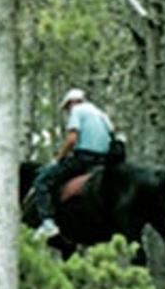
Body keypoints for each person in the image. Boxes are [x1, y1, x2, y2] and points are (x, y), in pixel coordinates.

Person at [33, 89, 114, 240]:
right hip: (104, 160)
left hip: (84, 158)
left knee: (42, 181)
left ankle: (48, 223)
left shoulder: (77, 111)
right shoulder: (101, 114)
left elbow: (71, 139)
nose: (68, 112)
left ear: (71, 103)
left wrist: (59, 158)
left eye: (66, 109)